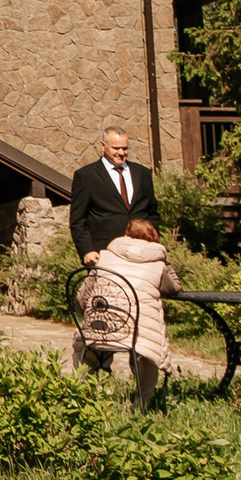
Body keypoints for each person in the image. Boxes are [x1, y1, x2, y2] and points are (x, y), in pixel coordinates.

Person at [82, 217, 182, 409]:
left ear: (126, 233)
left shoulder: (105, 256)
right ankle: (142, 403)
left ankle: (84, 397)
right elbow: (174, 287)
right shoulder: (157, 262)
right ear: (154, 239)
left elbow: (83, 295)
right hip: (138, 332)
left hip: (103, 324)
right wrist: (166, 262)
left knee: (86, 346)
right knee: (149, 353)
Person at [69, 127, 159, 265]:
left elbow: (152, 212)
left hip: (142, 253)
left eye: (125, 148)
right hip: (104, 254)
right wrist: (87, 250)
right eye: (116, 148)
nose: (121, 153)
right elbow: (78, 220)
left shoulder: (142, 173)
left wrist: (153, 241)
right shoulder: (86, 176)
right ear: (103, 146)